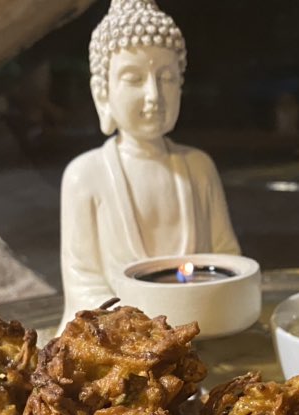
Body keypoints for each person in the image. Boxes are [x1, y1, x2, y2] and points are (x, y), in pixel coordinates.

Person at [57, 0, 241, 334]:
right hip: (119, 342)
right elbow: (83, 286)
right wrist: (143, 332)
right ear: (102, 93)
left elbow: (227, 262)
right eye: (134, 78)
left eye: (167, 78)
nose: (154, 94)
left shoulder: (198, 168)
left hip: (198, 331)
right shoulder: (85, 176)